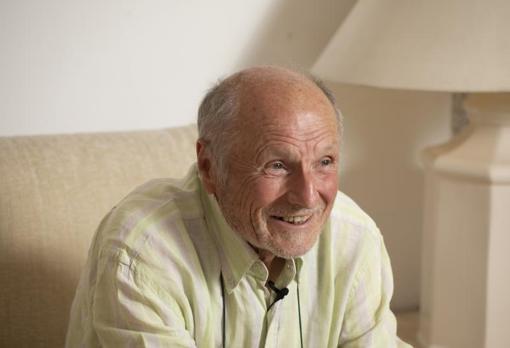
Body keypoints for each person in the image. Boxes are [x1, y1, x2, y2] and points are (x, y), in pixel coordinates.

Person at [66, 66, 411, 347]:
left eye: (325, 162)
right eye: (277, 165)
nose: (307, 197)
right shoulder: (142, 254)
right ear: (209, 166)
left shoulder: (355, 237)